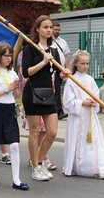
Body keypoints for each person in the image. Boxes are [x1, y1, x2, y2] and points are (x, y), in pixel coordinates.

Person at [22, 15, 70, 181]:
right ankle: (35, 167)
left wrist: (64, 74)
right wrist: (43, 62)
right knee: (35, 132)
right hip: (33, 94)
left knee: (52, 132)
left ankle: (40, 161)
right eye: (45, 27)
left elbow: (58, 74)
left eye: (50, 27)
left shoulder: (55, 50)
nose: (49, 30)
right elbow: (25, 72)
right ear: (37, 29)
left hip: (50, 95)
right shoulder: (30, 47)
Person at [0, 41, 29, 190]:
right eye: (5, 56)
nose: (8, 58)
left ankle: (16, 180)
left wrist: (17, 95)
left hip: (9, 110)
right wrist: (8, 89)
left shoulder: (13, 72)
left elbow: (15, 94)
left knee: (14, 145)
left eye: (10, 56)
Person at [63, 50, 104, 179]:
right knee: (77, 141)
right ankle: (74, 166)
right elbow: (67, 102)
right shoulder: (71, 80)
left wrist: (94, 102)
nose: (85, 66)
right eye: (82, 63)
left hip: (90, 116)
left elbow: (96, 95)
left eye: (87, 63)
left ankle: (96, 168)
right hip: (77, 117)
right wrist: (81, 102)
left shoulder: (90, 80)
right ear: (76, 64)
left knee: (93, 142)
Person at [52, 21, 70, 120]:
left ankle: (59, 111)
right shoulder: (48, 41)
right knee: (55, 90)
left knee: (58, 90)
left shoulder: (63, 42)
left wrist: (67, 68)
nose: (57, 31)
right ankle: (58, 111)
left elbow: (66, 56)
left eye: (59, 30)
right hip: (51, 69)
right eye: (56, 29)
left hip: (60, 69)